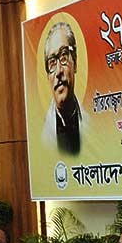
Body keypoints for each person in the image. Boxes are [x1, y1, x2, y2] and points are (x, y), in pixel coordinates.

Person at [41, 21, 82, 154]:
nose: (58, 71)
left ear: (75, 62)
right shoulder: (42, 137)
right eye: (52, 62)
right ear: (48, 76)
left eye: (64, 56)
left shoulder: (92, 124)